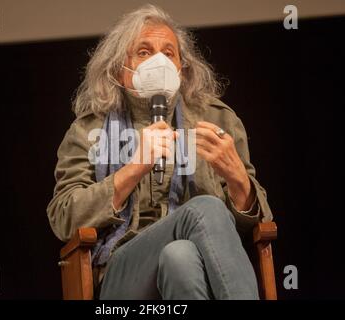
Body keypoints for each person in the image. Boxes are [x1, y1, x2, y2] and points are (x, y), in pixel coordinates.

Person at [47, 4, 273, 300]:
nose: (158, 61)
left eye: (168, 53)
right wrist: (133, 169)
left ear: (182, 67)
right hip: (122, 273)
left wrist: (237, 179)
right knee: (205, 208)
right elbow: (64, 217)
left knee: (180, 257)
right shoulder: (89, 130)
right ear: (119, 68)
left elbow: (258, 219)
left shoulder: (217, 120)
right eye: (143, 52)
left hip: (202, 266)